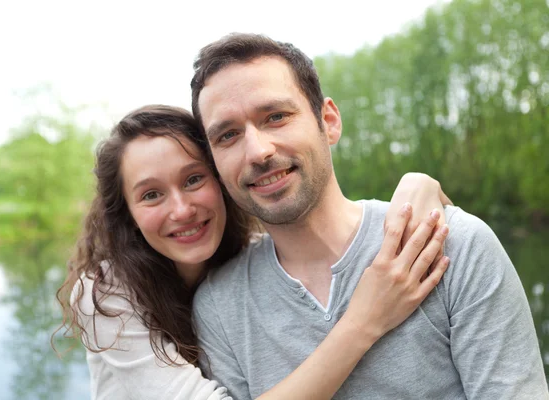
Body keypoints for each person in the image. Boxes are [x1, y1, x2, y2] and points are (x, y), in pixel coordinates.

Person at [190, 33, 548, 399]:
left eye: (276, 116)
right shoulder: (219, 307)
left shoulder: (453, 243)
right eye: (228, 135)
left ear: (328, 121)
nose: (258, 151)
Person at [54, 104, 452, 399]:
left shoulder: (255, 257)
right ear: (128, 214)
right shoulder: (105, 295)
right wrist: (364, 320)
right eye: (152, 194)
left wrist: (419, 186)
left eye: (193, 179)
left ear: (224, 178)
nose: (181, 210)